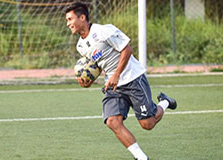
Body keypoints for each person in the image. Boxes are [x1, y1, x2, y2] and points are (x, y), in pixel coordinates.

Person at [65, 2, 177, 160]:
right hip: (113, 86)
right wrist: (87, 80)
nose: (68, 23)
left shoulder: (104, 31)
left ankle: (164, 102)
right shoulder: (81, 46)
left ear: (82, 17)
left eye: (70, 19)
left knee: (148, 124)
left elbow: (127, 50)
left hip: (132, 78)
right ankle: (141, 158)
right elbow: (97, 66)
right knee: (112, 121)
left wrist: (117, 74)